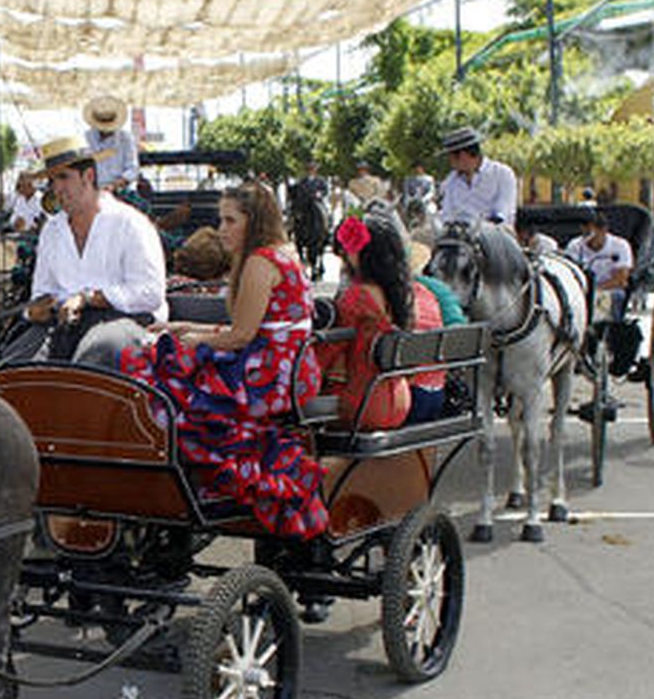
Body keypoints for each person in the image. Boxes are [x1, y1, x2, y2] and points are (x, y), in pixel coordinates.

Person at [118, 182, 326, 537]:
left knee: (159, 372)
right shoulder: (282, 254)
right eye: (221, 220)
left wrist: (193, 339)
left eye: (230, 221)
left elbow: (242, 335)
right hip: (288, 368)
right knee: (174, 360)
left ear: (253, 222)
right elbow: (256, 328)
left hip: (269, 375)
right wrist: (188, 326)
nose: (221, 230)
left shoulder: (260, 263)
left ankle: (199, 481)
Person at [25, 136, 167, 360]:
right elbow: (42, 291)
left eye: (63, 177)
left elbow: (151, 294)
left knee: (94, 356)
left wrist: (88, 298)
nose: (57, 189)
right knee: (18, 366)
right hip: (66, 324)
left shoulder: (130, 223)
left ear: (88, 176)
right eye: (52, 180)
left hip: (126, 321)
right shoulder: (51, 231)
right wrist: (41, 308)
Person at [318, 214, 441, 430]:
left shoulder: (357, 297)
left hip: (364, 402)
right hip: (400, 398)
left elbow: (330, 350)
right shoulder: (402, 295)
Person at [439, 126, 518, 228]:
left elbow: (501, 215)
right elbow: (447, 214)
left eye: (451, 157)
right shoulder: (451, 181)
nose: (450, 162)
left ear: (463, 155)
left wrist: (476, 228)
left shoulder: (502, 174)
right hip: (460, 236)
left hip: (495, 235)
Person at [565, 207, 634, 322]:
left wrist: (595, 290)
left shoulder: (620, 246)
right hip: (581, 290)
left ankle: (611, 329)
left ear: (603, 230)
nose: (588, 238)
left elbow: (620, 280)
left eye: (592, 232)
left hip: (608, 289)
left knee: (614, 297)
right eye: (584, 232)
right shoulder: (575, 246)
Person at [83, 94, 139, 190]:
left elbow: (133, 169)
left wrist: (115, 185)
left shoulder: (125, 138)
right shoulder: (86, 138)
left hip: (119, 189)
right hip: (92, 189)